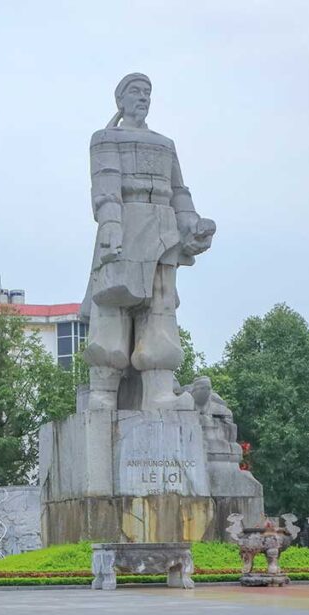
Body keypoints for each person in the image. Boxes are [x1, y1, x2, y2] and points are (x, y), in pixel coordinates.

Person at [81, 72, 216, 410]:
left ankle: (158, 392)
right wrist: (110, 223)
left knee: (160, 308)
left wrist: (193, 224)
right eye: (136, 91)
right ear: (120, 99)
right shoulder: (105, 139)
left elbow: (179, 192)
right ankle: (103, 392)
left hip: (163, 230)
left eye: (147, 92)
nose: (143, 97)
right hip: (124, 224)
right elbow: (105, 187)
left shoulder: (164, 144)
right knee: (112, 307)